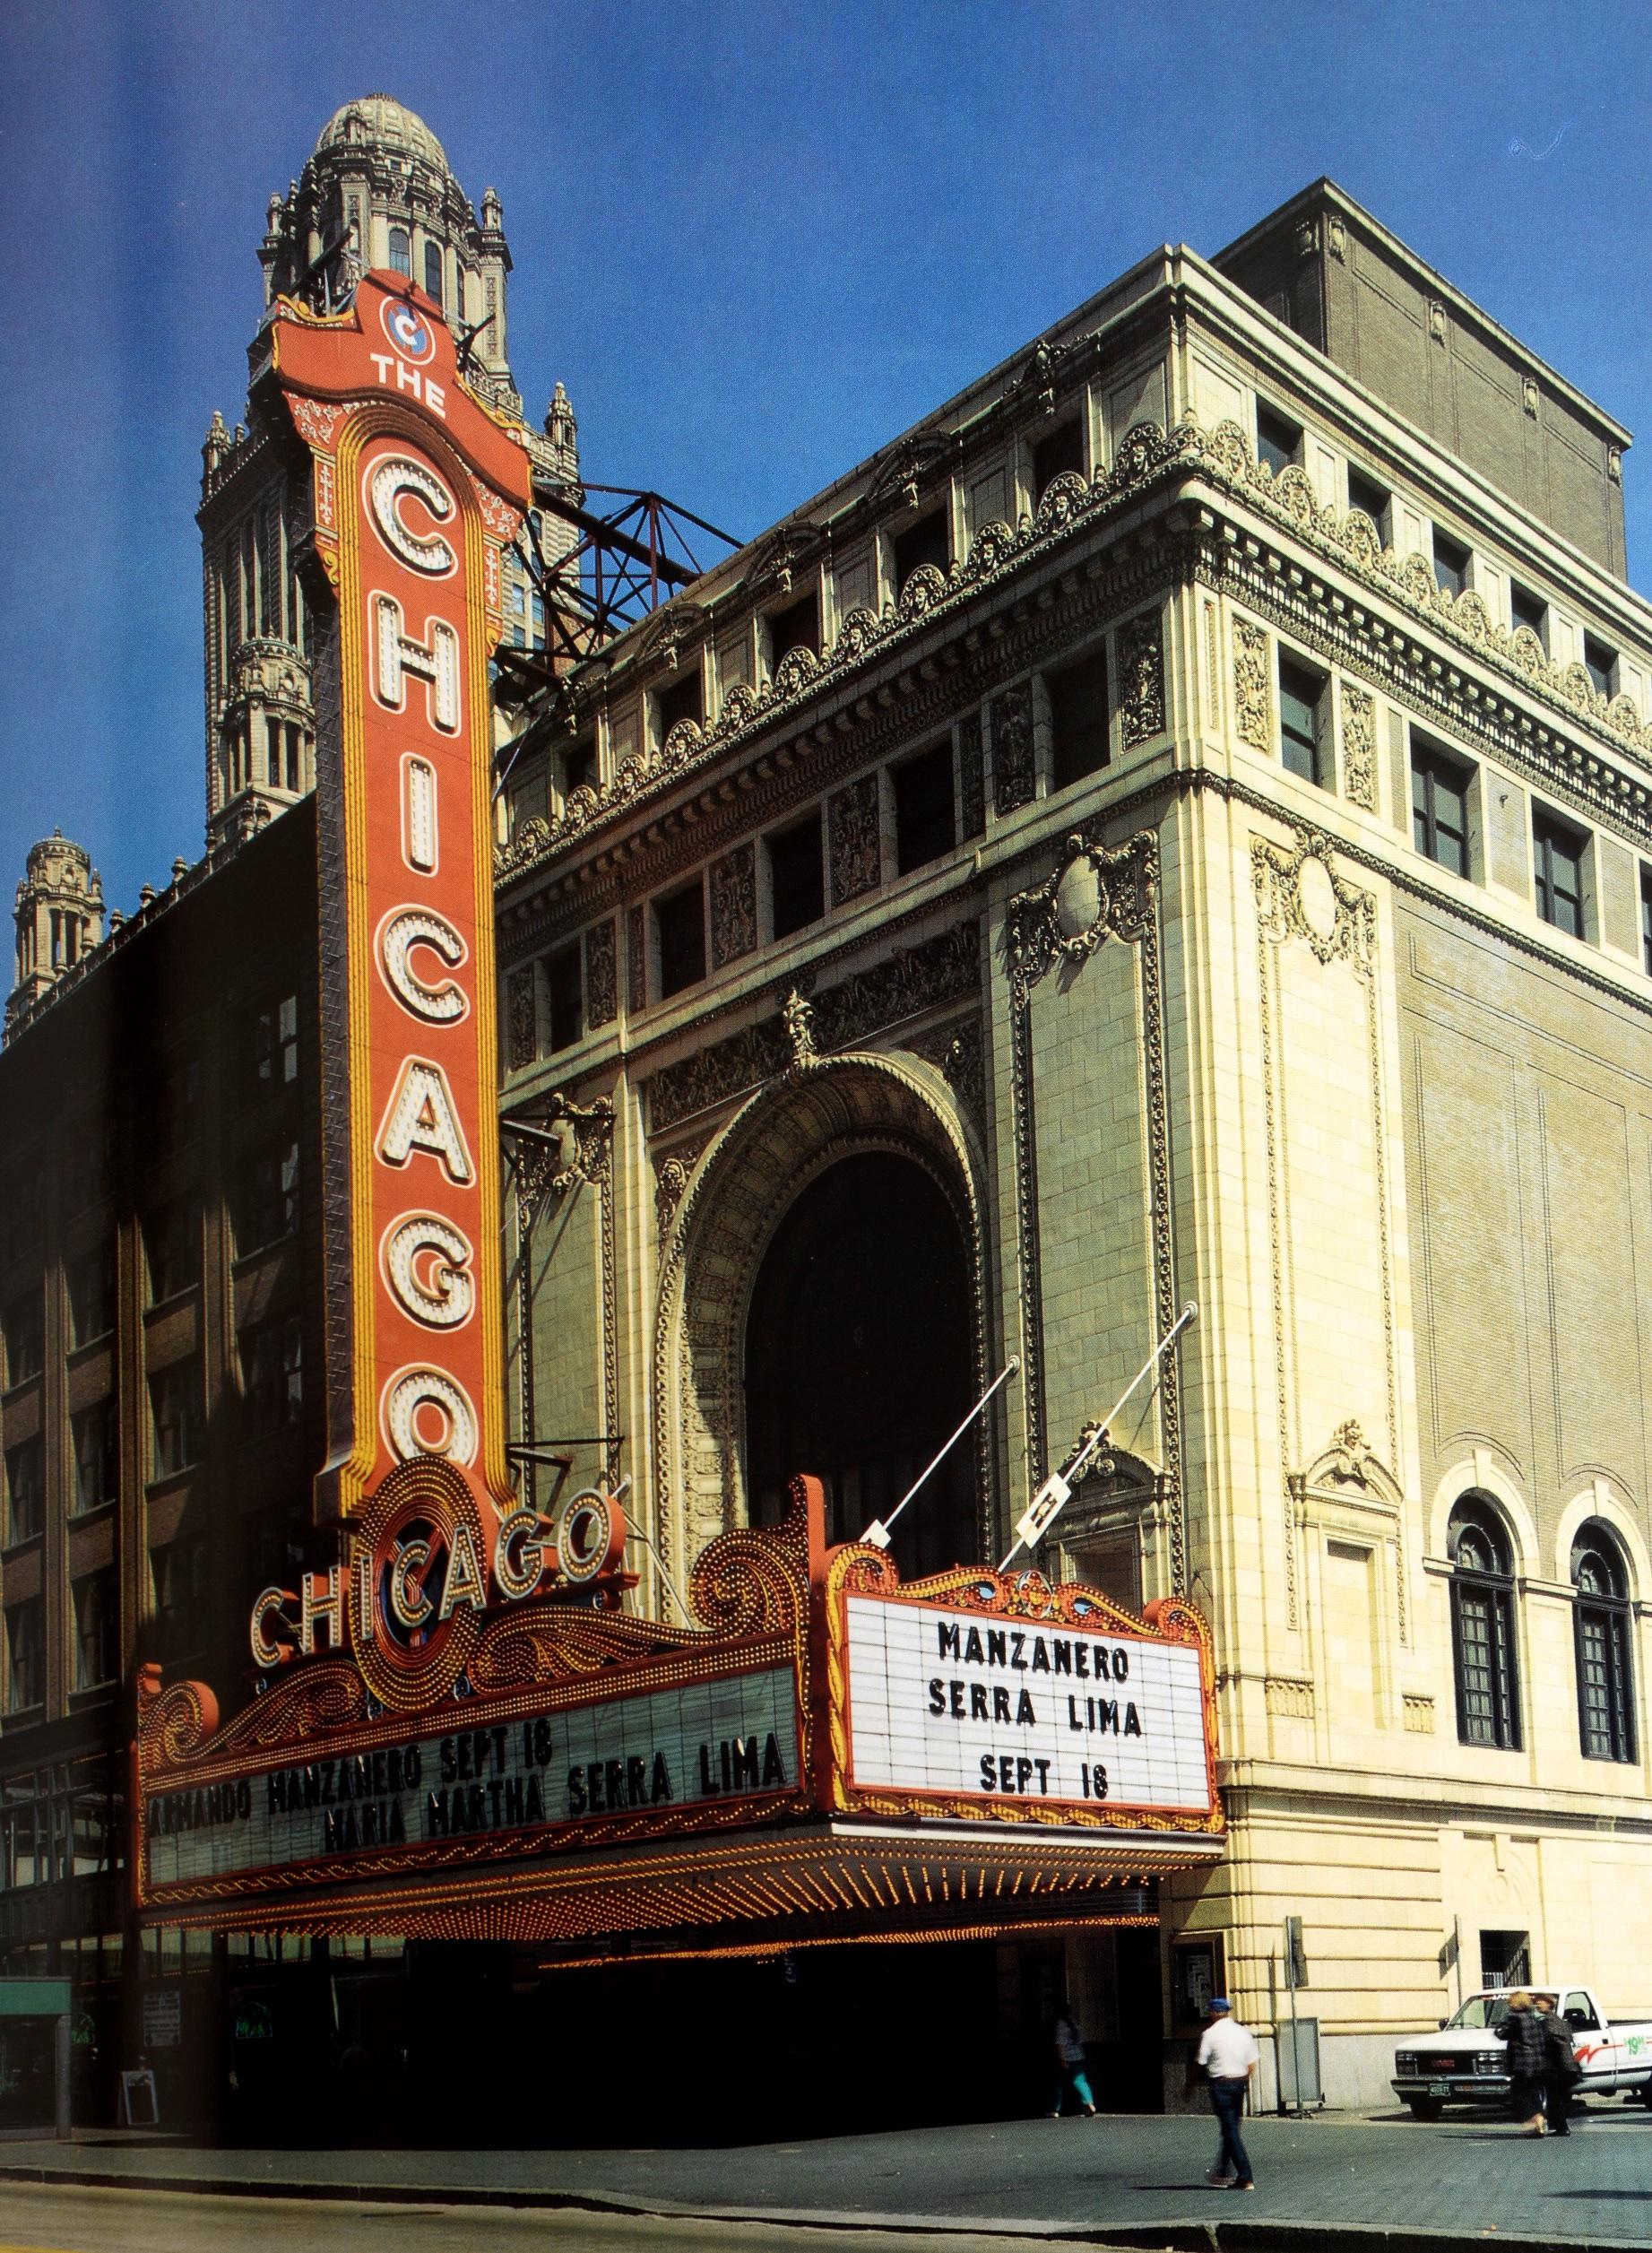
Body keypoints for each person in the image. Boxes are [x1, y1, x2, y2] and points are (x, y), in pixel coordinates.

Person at [1196, 1997, 1258, 2190]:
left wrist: (1191, 2085)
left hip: (1221, 2084)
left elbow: (1201, 2061)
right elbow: (1251, 2063)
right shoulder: (1242, 2032)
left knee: (1230, 2130)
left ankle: (1245, 2177)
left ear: (1214, 2013)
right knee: (1231, 2128)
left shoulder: (1209, 2034)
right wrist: (1243, 2080)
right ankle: (1222, 2171)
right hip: (1239, 2082)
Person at [1495, 1989, 1548, 2134]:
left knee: (1519, 2093)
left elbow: (1500, 2033)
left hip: (1521, 2063)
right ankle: (1541, 2121)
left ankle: (1533, 2119)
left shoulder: (1514, 2019)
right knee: (1533, 2092)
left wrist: (1504, 2019)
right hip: (1536, 2062)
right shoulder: (1534, 2019)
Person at [1534, 1993, 1579, 2136]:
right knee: (1556, 2097)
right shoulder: (1555, 2020)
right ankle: (1560, 2126)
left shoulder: (1550, 2022)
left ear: (1549, 2004)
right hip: (1561, 2066)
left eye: (1540, 2002)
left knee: (1555, 2097)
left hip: (1556, 2066)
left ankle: (1562, 2127)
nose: (1538, 2005)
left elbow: (1557, 2044)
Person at [1048, 2001, 1097, 2118]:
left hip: (1067, 2058)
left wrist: (1062, 2059)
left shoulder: (1061, 2024)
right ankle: (1089, 2102)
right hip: (1079, 2056)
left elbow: (1060, 2044)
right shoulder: (1074, 2023)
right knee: (1080, 2081)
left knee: (1059, 2084)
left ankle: (1055, 2109)